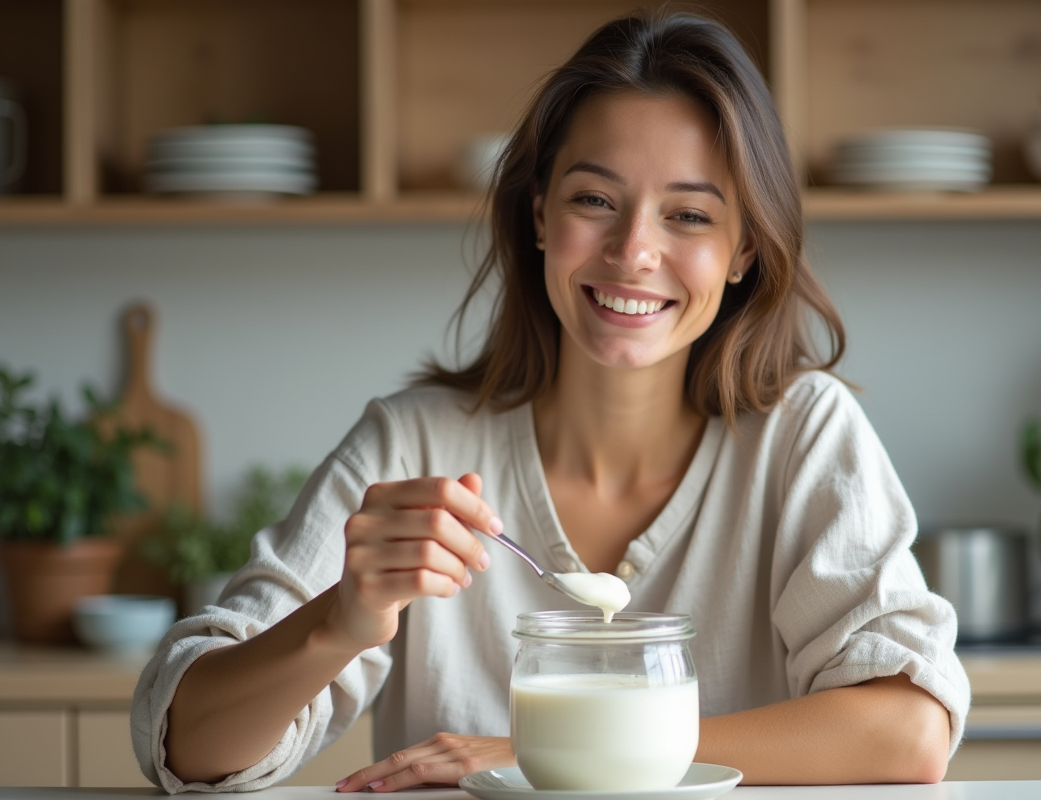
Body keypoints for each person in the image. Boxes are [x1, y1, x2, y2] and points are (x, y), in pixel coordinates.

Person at [132, 11, 970, 794]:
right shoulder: (415, 444)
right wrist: (341, 621)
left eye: (688, 215)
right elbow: (188, 751)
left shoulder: (800, 437)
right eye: (595, 200)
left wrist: (553, 757)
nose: (634, 251)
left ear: (744, 248)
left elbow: (907, 730)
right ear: (539, 214)